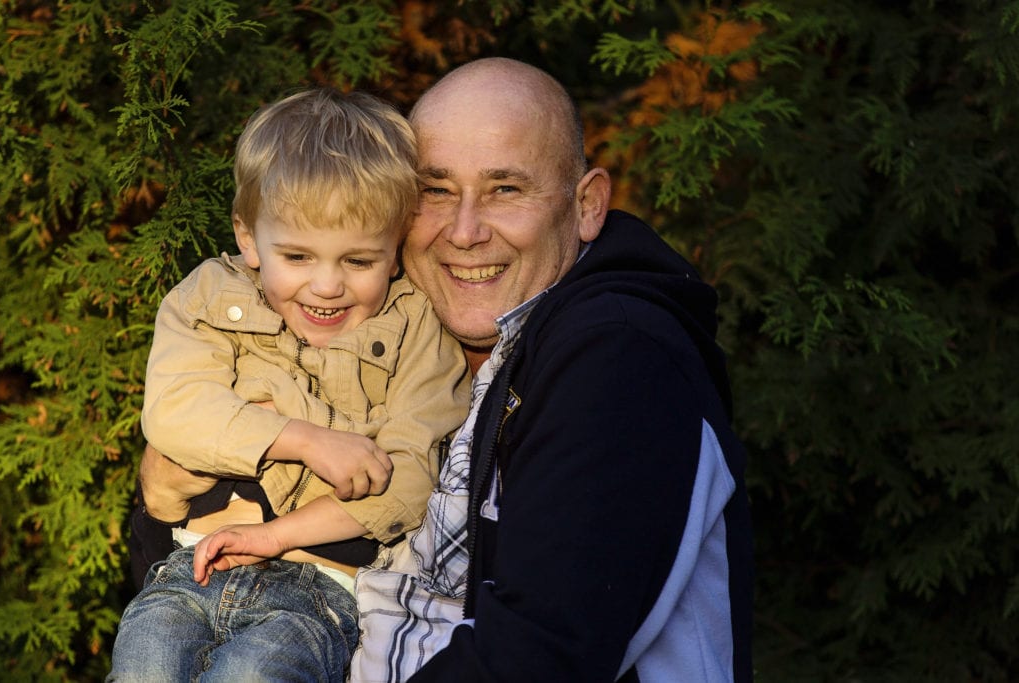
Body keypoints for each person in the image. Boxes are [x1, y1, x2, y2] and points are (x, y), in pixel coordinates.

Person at [194, 57, 753, 682]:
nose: (463, 232)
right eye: (436, 191)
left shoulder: (619, 360)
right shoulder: (412, 341)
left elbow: (540, 656)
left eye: (504, 190)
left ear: (587, 204)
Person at [108, 88, 470, 681]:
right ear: (249, 238)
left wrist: (275, 536)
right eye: (298, 256)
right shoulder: (205, 299)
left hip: (320, 591)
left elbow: (407, 483)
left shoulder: (415, 328)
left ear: (396, 250)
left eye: (358, 261)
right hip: (189, 566)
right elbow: (176, 412)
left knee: (250, 676)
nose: (326, 286)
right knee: (146, 662)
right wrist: (303, 440)